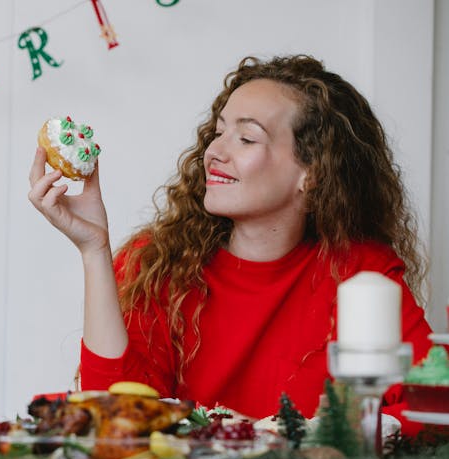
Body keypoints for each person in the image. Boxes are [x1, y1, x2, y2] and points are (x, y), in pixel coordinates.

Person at [27, 54, 432, 424]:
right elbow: (113, 413)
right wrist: (93, 250)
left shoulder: (362, 273)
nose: (214, 151)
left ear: (314, 173)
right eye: (219, 132)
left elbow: (431, 404)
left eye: (246, 138)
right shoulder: (155, 264)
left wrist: (337, 437)